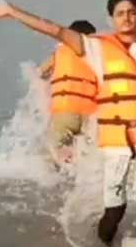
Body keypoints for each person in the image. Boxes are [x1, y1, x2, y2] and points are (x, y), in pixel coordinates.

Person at [0, 0, 136, 247]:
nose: (127, 18)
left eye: (133, 12)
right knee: (115, 211)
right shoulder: (95, 49)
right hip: (118, 146)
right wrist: (12, 11)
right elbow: (53, 30)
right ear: (111, 18)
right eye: (120, 13)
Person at [38, 19, 98, 159]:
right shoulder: (97, 55)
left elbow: (40, 73)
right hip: (90, 117)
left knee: (52, 157)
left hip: (64, 114)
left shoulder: (60, 52)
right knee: (87, 159)